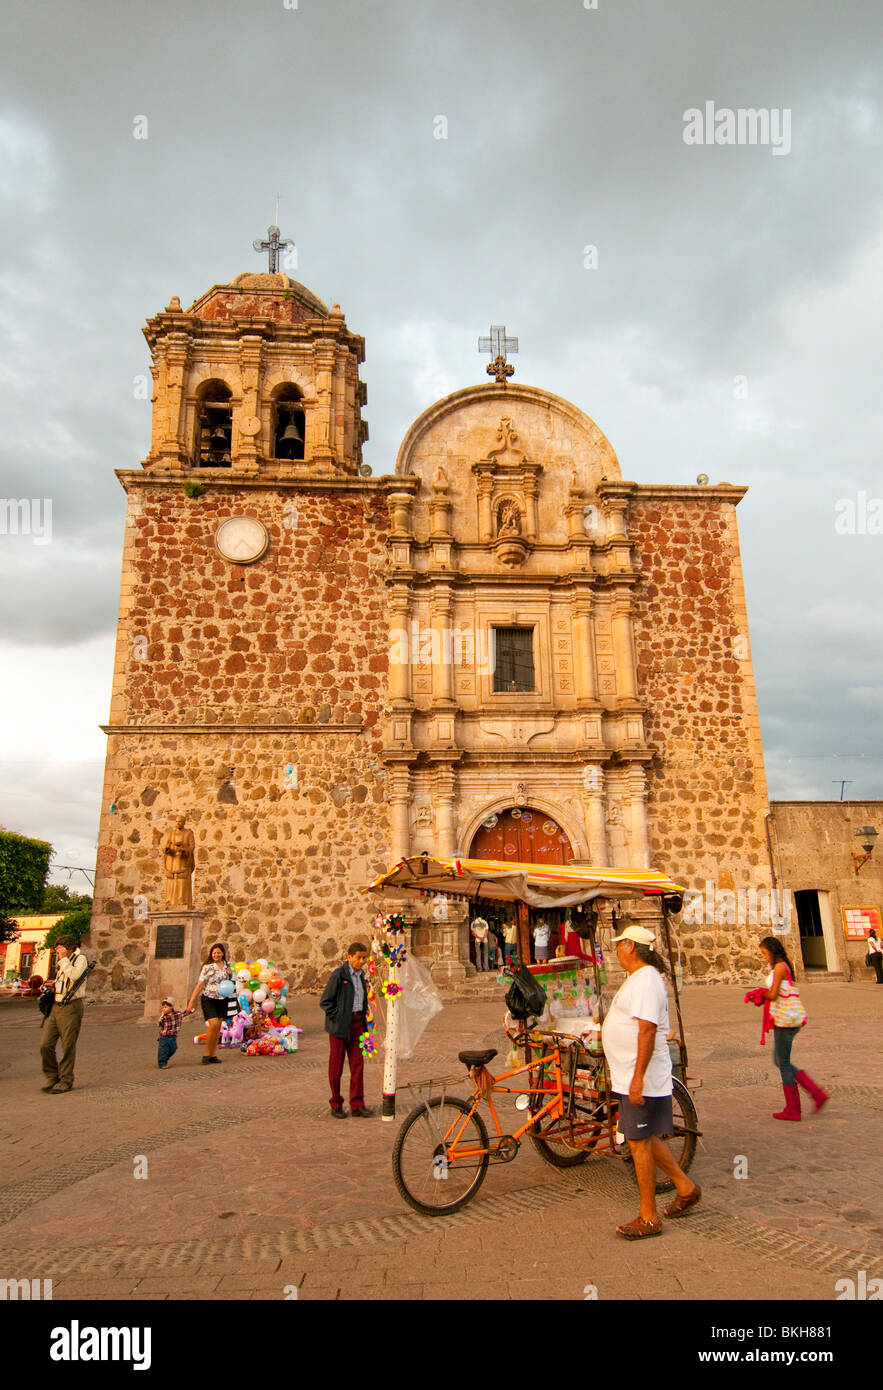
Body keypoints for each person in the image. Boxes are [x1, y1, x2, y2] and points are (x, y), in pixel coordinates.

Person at [601, 924, 700, 1239]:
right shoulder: (640, 978)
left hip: (640, 1075)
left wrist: (637, 1080)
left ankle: (649, 1217)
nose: (617, 950)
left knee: (639, 1142)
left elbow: (646, 1030)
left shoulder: (645, 981)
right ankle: (686, 1187)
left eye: (620, 945)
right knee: (646, 1137)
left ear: (631, 946)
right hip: (633, 1074)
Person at [758, 936, 827, 1120]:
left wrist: (759, 994)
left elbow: (773, 994)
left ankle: (796, 1107)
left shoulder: (780, 967)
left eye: (765, 953)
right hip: (784, 1019)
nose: (764, 957)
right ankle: (814, 1093)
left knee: (783, 1063)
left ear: (772, 951)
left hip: (785, 1021)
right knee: (780, 1060)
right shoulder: (782, 966)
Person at [320, 942, 373, 1118]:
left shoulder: (361, 976)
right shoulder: (339, 975)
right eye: (358, 957)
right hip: (339, 1027)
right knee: (336, 1066)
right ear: (349, 957)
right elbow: (326, 1001)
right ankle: (336, 1103)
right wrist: (338, 1016)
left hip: (357, 1024)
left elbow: (362, 999)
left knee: (358, 1064)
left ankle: (357, 1104)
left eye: (364, 958)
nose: (362, 961)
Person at [39, 935, 90, 1094]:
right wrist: (53, 985)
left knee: (68, 1045)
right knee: (45, 1045)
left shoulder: (80, 959)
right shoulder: (63, 962)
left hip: (71, 1007)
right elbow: (65, 982)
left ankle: (66, 1079)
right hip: (56, 1006)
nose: (57, 951)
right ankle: (51, 1076)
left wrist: (64, 960)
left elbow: (75, 976)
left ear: (68, 948)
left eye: (60, 948)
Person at [186, 942, 233, 1064]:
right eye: (214, 953)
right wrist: (191, 1002)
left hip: (223, 999)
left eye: (218, 953)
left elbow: (230, 982)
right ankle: (206, 1054)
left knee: (218, 1027)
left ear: (223, 953)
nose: (216, 955)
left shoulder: (227, 965)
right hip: (209, 999)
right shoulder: (207, 967)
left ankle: (212, 1054)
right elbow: (200, 985)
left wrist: (230, 974)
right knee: (213, 1024)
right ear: (211, 954)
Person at [157, 996, 189, 1069]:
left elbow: (183, 1014)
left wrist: (190, 1011)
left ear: (171, 1007)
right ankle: (162, 1063)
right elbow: (159, 1024)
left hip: (173, 1036)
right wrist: (162, 1016)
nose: (163, 1009)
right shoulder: (164, 1017)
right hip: (164, 1037)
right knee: (163, 1050)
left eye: (165, 1007)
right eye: (163, 1007)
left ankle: (165, 1058)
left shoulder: (177, 1014)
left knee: (173, 1049)